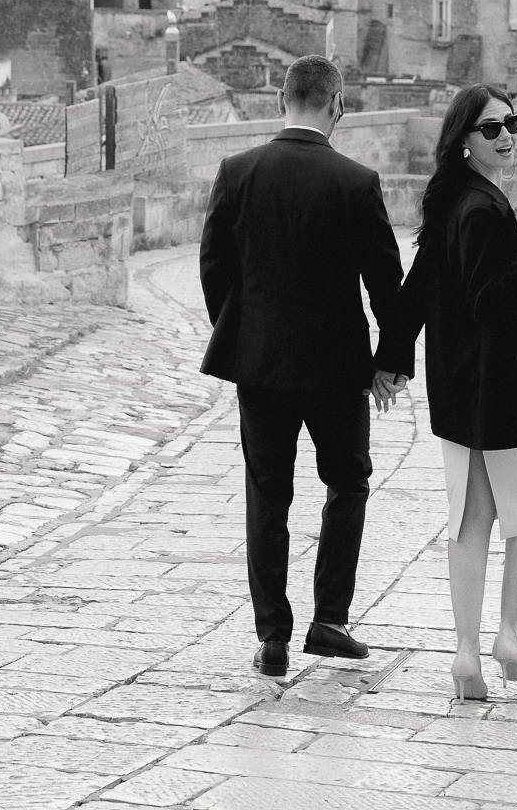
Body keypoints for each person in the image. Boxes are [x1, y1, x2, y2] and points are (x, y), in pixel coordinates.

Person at [199, 55, 410, 680]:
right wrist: (389, 363)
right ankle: (330, 620)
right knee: (347, 484)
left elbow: (215, 268)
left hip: (260, 369)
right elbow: (386, 283)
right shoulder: (356, 180)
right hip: (338, 370)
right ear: (336, 104)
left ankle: (272, 638)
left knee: (268, 494)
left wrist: (241, 336)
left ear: (282, 100)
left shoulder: (237, 173)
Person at [394, 83, 517, 701]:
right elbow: (490, 298)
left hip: (461, 390)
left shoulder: (449, 202)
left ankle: (466, 654)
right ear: (464, 141)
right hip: (510, 390)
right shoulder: (482, 209)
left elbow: (417, 289)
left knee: (471, 520)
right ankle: (508, 636)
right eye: (492, 128)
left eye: (513, 123)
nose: (508, 136)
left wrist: (391, 360)